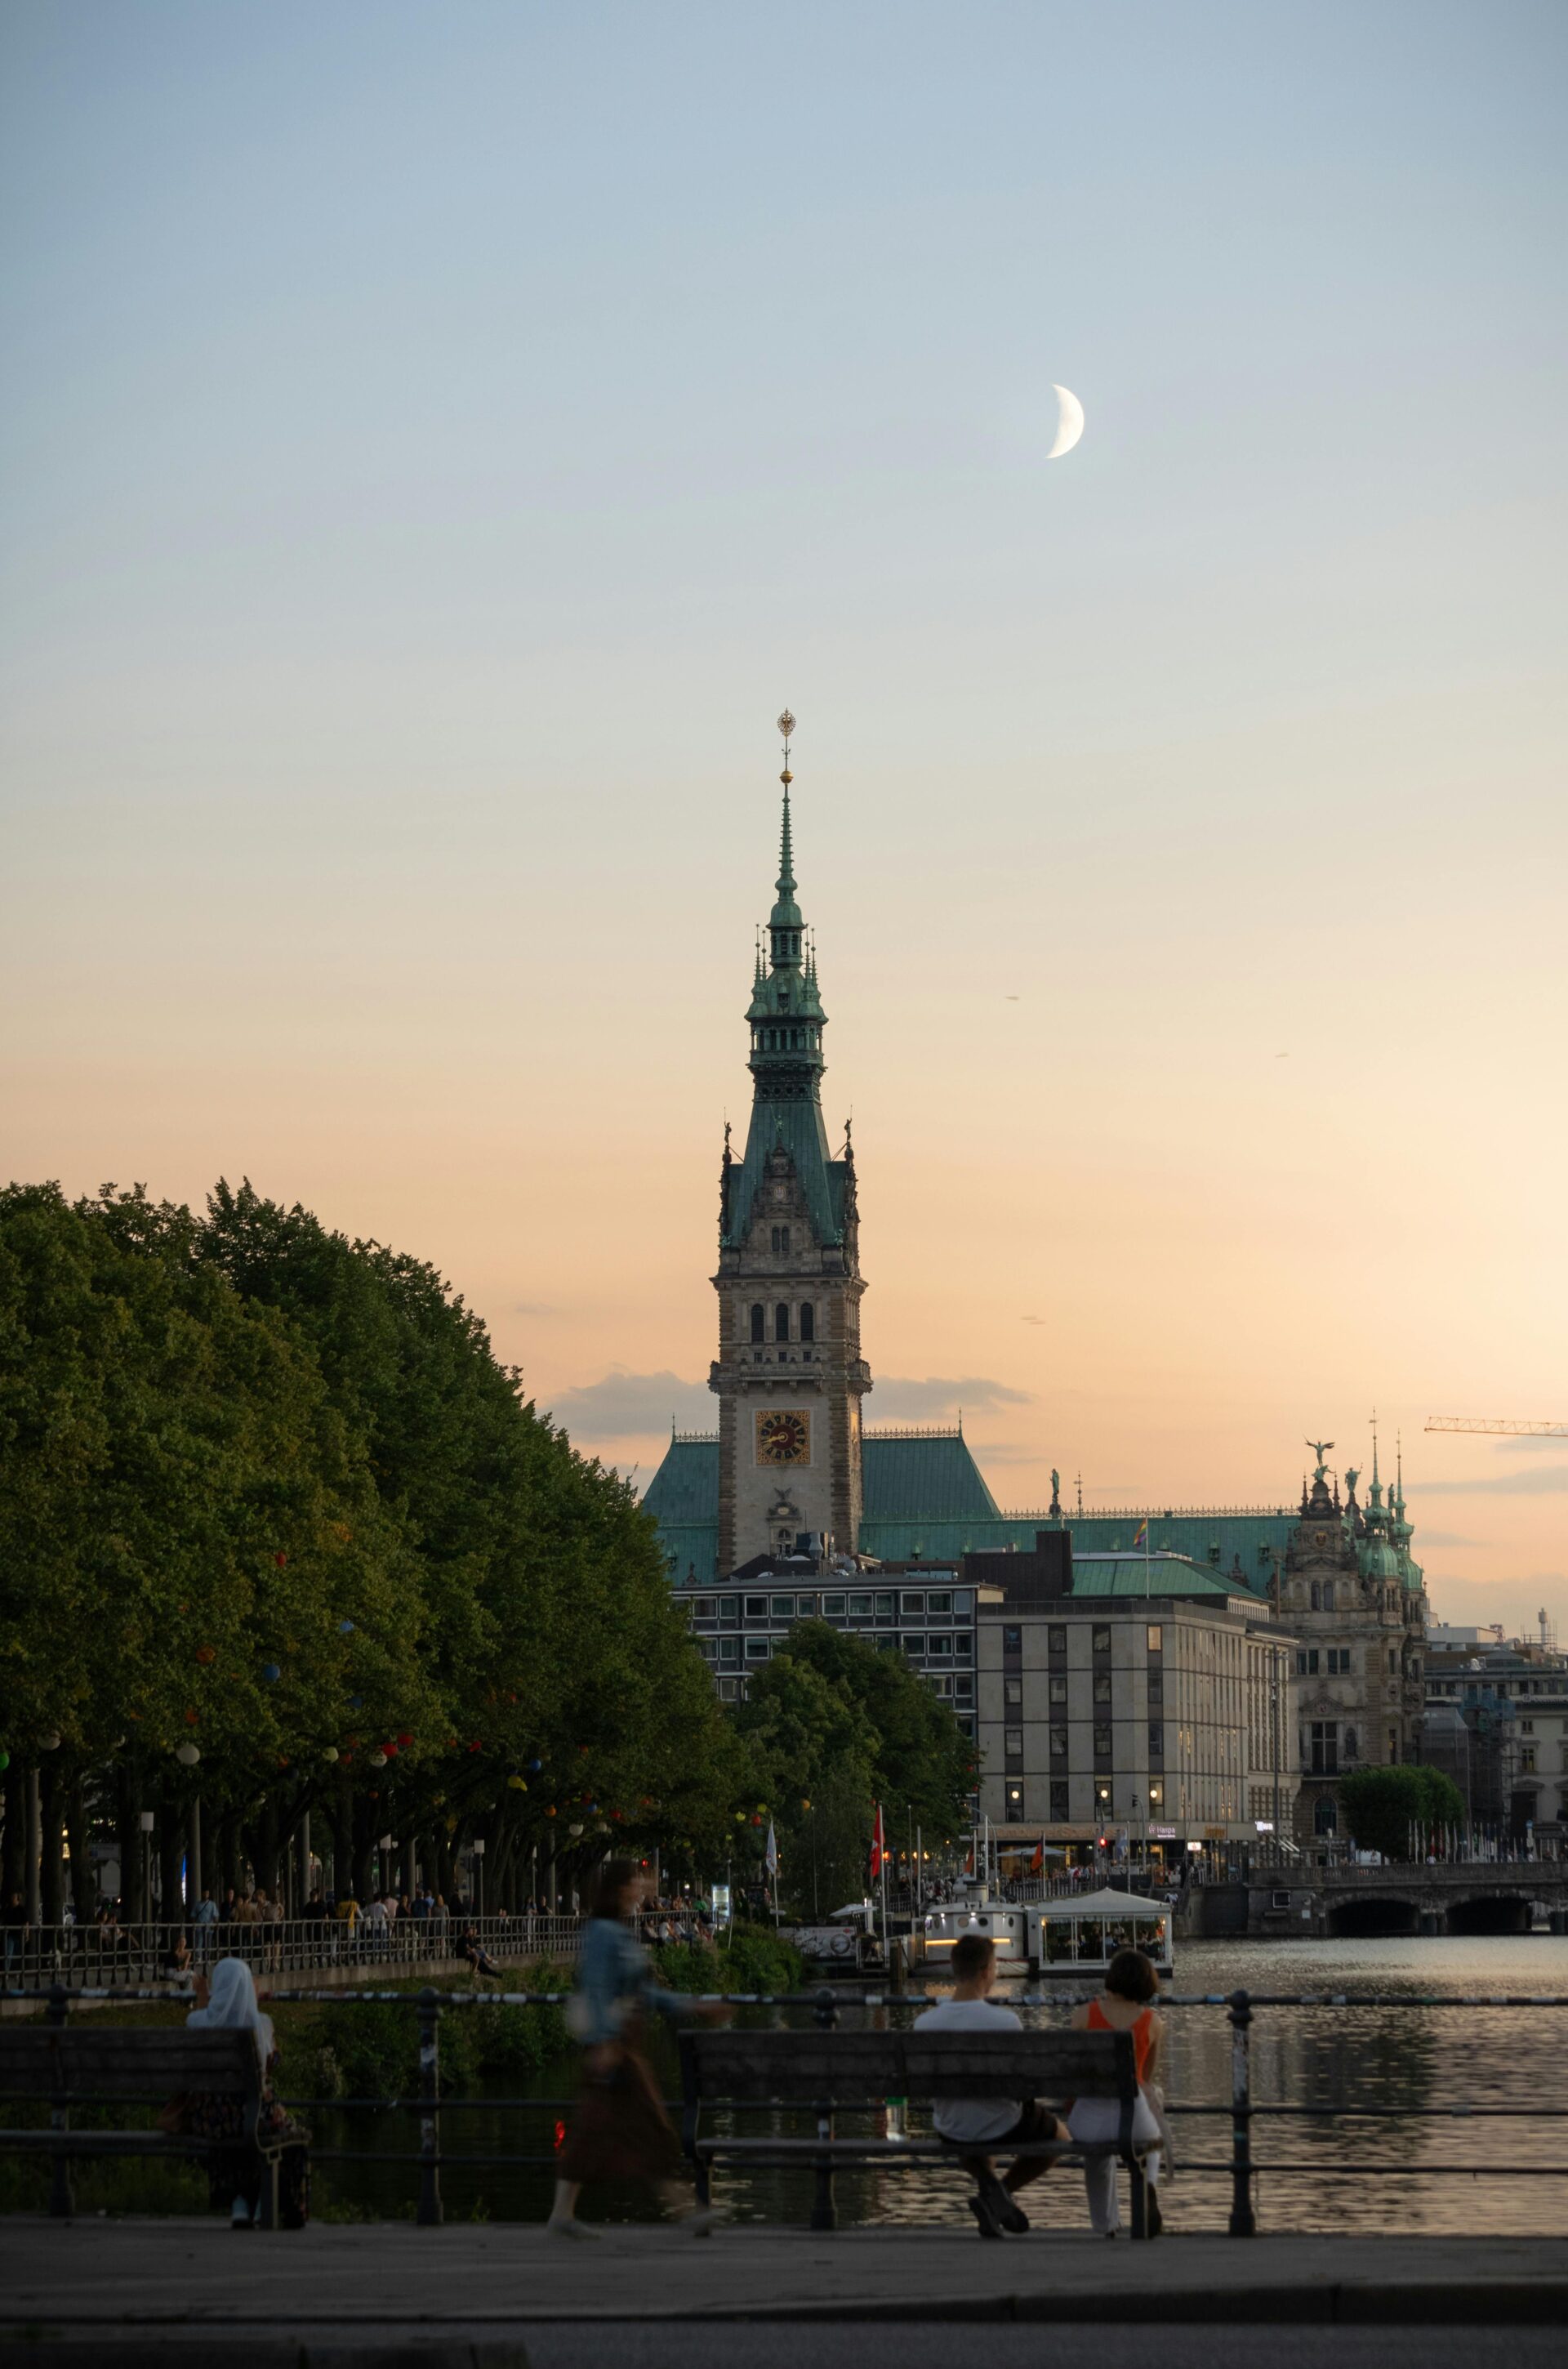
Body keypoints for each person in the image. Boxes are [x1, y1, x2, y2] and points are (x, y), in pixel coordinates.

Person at [548, 1858, 730, 2240]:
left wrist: (694, 2007)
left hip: (620, 2046)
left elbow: (643, 1992)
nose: (643, 1888)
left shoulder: (616, 1930)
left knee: (595, 2131)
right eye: (637, 1882)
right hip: (615, 2050)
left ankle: (563, 2215)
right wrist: (604, 2043)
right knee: (647, 2127)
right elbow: (596, 1987)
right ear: (619, 1889)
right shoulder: (602, 1933)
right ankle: (684, 2209)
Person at [915, 1932, 1069, 2238]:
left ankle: (990, 2190)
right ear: (986, 1971)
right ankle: (997, 2193)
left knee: (967, 2125)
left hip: (950, 2127)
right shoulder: (1006, 2022)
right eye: (995, 1967)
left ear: (955, 1970)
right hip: (1002, 2123)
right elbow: (1022, 2085)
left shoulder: (924, 2024)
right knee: (1060, 2138)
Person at [181, 1957, 309, 2229]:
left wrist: (203, 2000)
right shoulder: (261, 2024)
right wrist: (253, 2004)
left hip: (208, 2117)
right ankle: (267, 2202)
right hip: (251, 2113)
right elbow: (268, 2068)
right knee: (291, 2138)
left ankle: (239, 2204)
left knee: (232, 2138)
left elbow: (209, 2019)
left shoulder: (196, 2021)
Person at [1068, 1945, 1166, 2237]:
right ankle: (1148, 2182)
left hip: (1090, 2121)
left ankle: (1105, 2225)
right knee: (1154, 2102)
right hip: (1135, 2121)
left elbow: (1071, 2073)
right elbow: (1144, 2079)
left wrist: (1071, 2103)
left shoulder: (1084, 2016)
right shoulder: (1153, 2022)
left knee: (1097, 2156)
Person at [459, 1923, 504, 1987]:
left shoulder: (467, 1938)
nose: (472, 1932)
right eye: (471, 1931)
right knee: (479, 1958)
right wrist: (475, 1953)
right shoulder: (464, 1938)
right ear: (468, 1932)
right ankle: (475, 1972)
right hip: (465, 1955)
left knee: (482, 1963)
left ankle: (491, 1973)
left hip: (468, 1954)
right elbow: (468, 1948)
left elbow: (470, 1947)